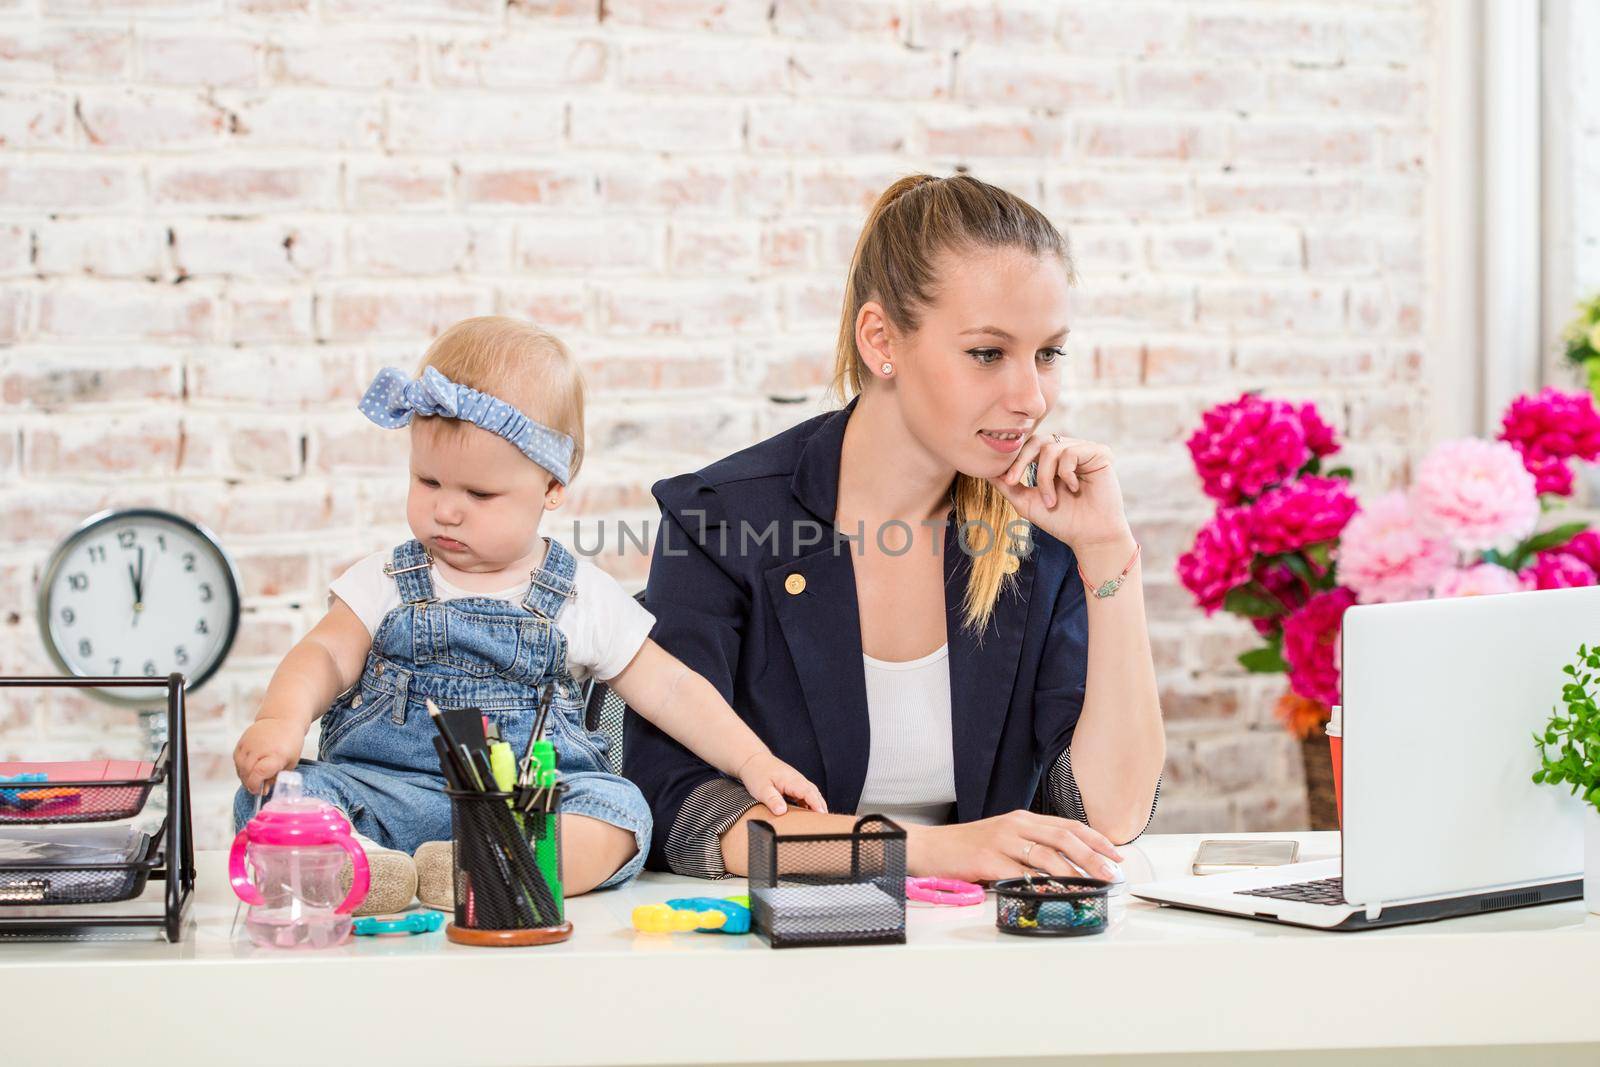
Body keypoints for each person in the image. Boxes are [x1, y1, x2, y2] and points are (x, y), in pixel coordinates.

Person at [626, 174, 1165, 882]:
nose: (1031, 397)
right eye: (986, 353)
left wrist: (1107, 555)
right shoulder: (723, 520)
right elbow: (687, 815)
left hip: (979, 951)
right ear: (881, 339)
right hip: (773, 961)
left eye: (1048, 353)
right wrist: (937, 850)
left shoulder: (1046, 532)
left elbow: (1111, 813)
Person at [232, 316, 824, 912]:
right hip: (388, 793)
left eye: (479, 495)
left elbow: (669, 687)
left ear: (550, 488)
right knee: (279, 797)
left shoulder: (580, 596)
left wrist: (752, 759)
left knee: (621, 815)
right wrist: (281, 719)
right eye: (427, 480)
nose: (446, 510)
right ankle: (363, 866)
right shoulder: (387, 578)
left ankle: (483, 865)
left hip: (529, 804)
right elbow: (325, 654)